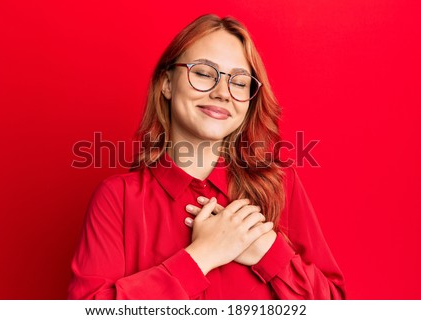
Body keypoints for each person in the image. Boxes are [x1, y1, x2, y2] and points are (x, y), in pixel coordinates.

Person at [68, 14, 345, 300]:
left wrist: (268, 251)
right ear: (167, 84)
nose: (223, 92)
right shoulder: (118, 199)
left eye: (239, 82)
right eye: (203, 73)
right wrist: (202, 256)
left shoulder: (279, 185)